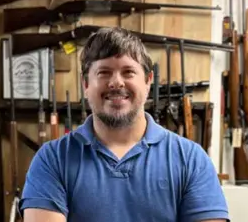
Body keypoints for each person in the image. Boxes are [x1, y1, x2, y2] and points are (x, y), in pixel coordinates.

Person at [18, 27, 229, 222]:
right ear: (86, 84)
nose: (116, 82)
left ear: (148, 81)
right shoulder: (52, 160)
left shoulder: (191, 159)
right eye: (104, 73)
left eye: (128, 72)